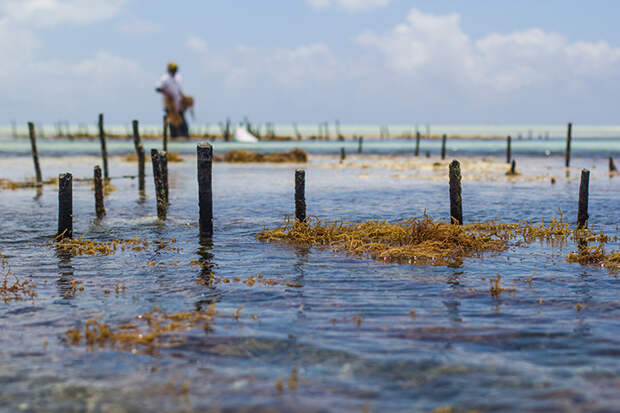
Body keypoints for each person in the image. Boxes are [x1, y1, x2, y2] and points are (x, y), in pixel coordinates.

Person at [155, 62, 189, 138]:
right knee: (172, 121)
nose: (174, 71)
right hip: (169, 104)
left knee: (182, 121)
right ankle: (174, 137)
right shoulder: (164, 78)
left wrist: (184, 98)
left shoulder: (178, 77)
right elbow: (158, 88)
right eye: (173, 69)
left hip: (178, 103)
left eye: (175, 69)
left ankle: (184, 136)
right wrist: (168, 94)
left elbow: (179, 90)